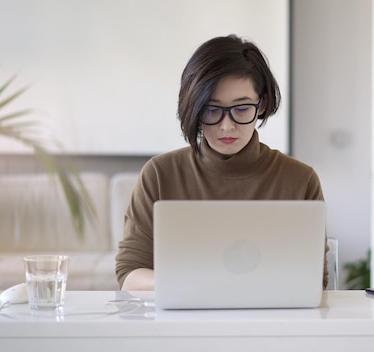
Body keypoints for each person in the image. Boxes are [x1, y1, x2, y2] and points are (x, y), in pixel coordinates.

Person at [115, 34, 327, 291]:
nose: (227, 126)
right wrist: (205, 285)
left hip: (269, 324)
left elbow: (315, 279)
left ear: (262, 104)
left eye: (241, 109)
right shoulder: (160, 174)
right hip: (183, 324)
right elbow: (129, 276)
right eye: (211, 110)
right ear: (193, 108)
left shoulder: (299, 180)